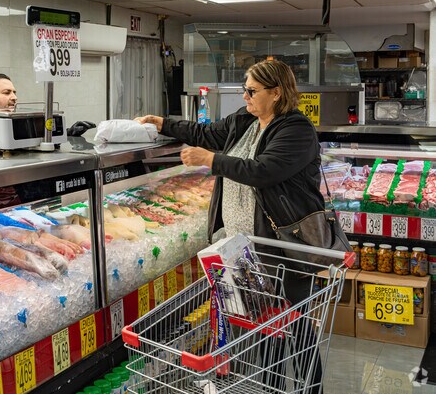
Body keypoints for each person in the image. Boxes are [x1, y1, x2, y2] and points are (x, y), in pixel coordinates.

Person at [135, 59, 324, 393]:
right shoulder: (244, 120)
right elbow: (206, 133)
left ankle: (311, 389)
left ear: (276, 93)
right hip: (242, 249)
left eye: (251, 91)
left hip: (281, 246)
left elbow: (262, 170)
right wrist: (163, 123)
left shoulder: (296, 129)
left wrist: (210, 160)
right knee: (263, 331)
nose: (245, 97)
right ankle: (270, 388)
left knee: (297, 327)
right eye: (244, 90)